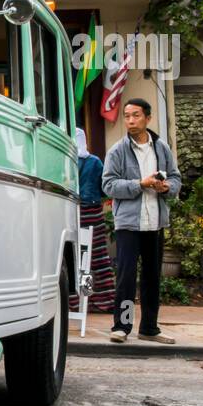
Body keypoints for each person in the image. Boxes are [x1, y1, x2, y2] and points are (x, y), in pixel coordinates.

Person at [101, 98, 182, 344]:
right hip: (129, 225)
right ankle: (122, 327)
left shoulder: (162, 149)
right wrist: (140, 184)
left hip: (155, 223)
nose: (130, 120)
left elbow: (177, 178)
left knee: (152, 278)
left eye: (136, 115)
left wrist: (166, 187)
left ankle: (149, 328)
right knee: (126, 278)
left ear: (148, 118)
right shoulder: (117, 150)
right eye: (127, 116)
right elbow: (108, 185)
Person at [74, 129, 115, 313]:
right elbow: (104, 189)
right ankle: (102, 300)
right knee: (95, 258)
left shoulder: (67, 160)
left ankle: (79, 302)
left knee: (77, 258)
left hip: (72, 212)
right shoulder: (95, 162)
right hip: (93, 214)